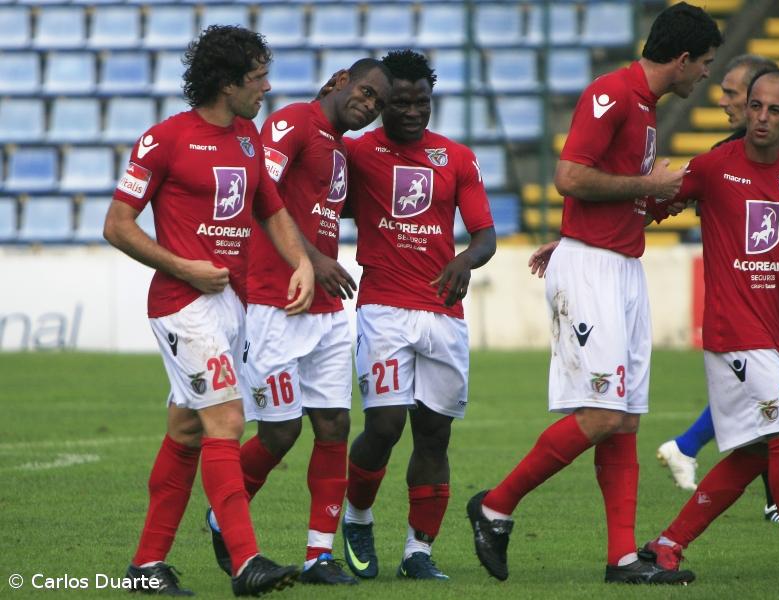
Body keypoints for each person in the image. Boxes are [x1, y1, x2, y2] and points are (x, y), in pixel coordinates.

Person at [466, 2, 721, 584]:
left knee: (626, 418)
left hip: (620, 262)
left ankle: (622, 558)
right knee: (604, 413)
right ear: (681, 60)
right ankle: (495, 505)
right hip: (594, 270)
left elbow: (612, 192)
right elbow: (569, 177)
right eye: (703, 63)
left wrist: (656, 200)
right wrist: (642, 189)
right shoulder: (611, 93)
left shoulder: (646, 108)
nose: (705, 73)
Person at [104, 26, 315, 596]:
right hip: (182, 303)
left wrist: (302, 262)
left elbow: (271, 209)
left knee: (188, 429)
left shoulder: (248, 137)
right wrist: (184, 266)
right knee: (226, 420)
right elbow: (117, 225)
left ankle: (146, 567)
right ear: (225, 83)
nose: (266, 88)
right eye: (257, 78)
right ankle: (247, 561)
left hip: (231, 303)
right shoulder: (164, 140)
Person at [644, 68, 779, 582]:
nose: (761, 116)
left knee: (757, 452)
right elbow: (651, 207)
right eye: (755, 105)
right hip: (733, 334)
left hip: (774, 334)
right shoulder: (714, 166)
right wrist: (578, 242)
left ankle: (667, 545)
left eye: (774, 109)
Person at [205, 58, 393, 586]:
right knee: (281, 430)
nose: (370, 104)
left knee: (334, 426)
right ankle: (223, 514)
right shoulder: (292, 121)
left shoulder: (337, 147)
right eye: (365, 91)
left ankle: (318, 557)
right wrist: (309, 261)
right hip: (274, 301)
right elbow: (257, 199)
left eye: (378, 102)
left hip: (328, 310)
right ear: (338, 81)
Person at [339, 49, 497, 581]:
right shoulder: (357, 155)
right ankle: (357, 516)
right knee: (383, 425)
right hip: (383, 308)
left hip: (442, 313)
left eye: (421, 101)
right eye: (400, 102)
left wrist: (464, 260)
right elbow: (316, 196)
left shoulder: (456, 157)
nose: (412, 111)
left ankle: (417, 551)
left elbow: (485, 236)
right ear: (383, 104)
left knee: (434, 434)